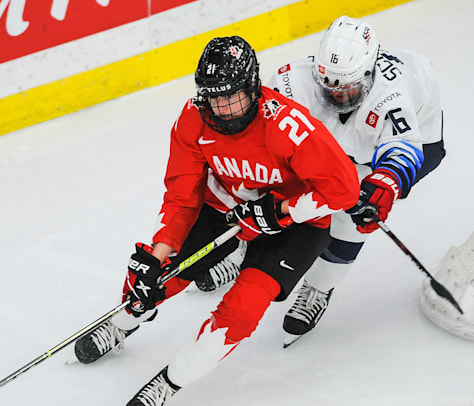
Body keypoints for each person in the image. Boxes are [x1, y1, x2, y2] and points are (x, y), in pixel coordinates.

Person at [74, 35, 360, 405]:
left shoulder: (288, 126)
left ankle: (170, 382)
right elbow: (182, 195)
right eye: (213, 96)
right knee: (153, 277)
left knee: (241, 311)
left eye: (231, 96)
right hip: (230, 207)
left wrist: (284, 211)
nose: (222, 108)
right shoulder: (193, 119)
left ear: (253, 87)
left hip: (296, 224)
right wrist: (158, 254)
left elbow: (344, 190)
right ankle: (120, 324)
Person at [261, 15, 446, 347]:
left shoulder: (394, 96)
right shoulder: (291, 80)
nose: (337, 97)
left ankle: (319, 287)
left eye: (347, 88)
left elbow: (402, 151)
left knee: (355, 213)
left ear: (370, 73)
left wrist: (385, 183)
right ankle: (246, 249)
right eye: (329, 86)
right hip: (344, 142)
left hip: (408, 143)